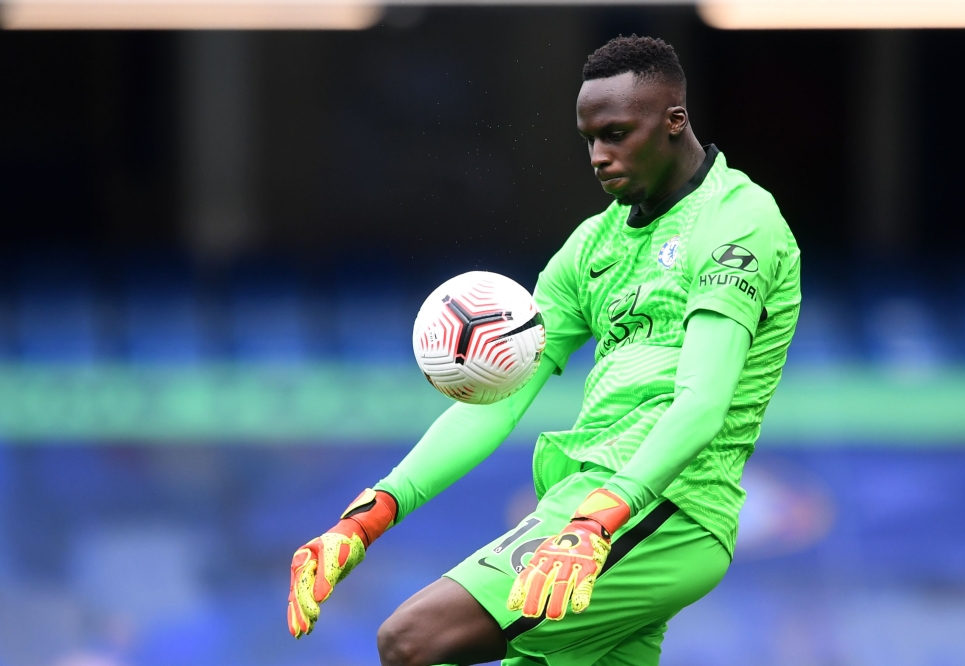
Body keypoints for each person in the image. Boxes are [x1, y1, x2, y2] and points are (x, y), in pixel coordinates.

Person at [287, 34, 800, 666]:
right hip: (593, 506)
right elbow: (496, 401)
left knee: (411, 641)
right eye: (589, 139)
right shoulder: (592, 245)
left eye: (616, 134)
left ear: (674, 121)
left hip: (665, 507)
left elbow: (701, 404)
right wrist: (368, 516)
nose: (598, 155)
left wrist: (596, 523)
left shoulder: (737, 222)